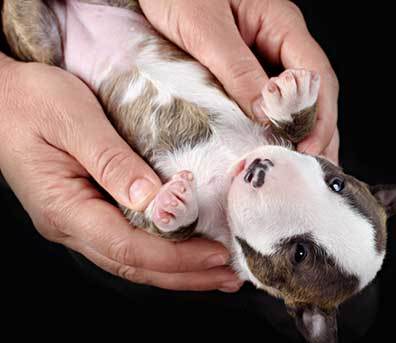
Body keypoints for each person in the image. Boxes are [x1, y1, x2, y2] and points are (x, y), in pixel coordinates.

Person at [0, 0, 339, 293]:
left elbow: (143, 207)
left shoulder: (209, 228)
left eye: (299, 251)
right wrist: (294, 106)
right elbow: (281, 115)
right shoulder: (280, 152)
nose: (298, 197)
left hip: (55, 52)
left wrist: (173, 217)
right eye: (333, 187)